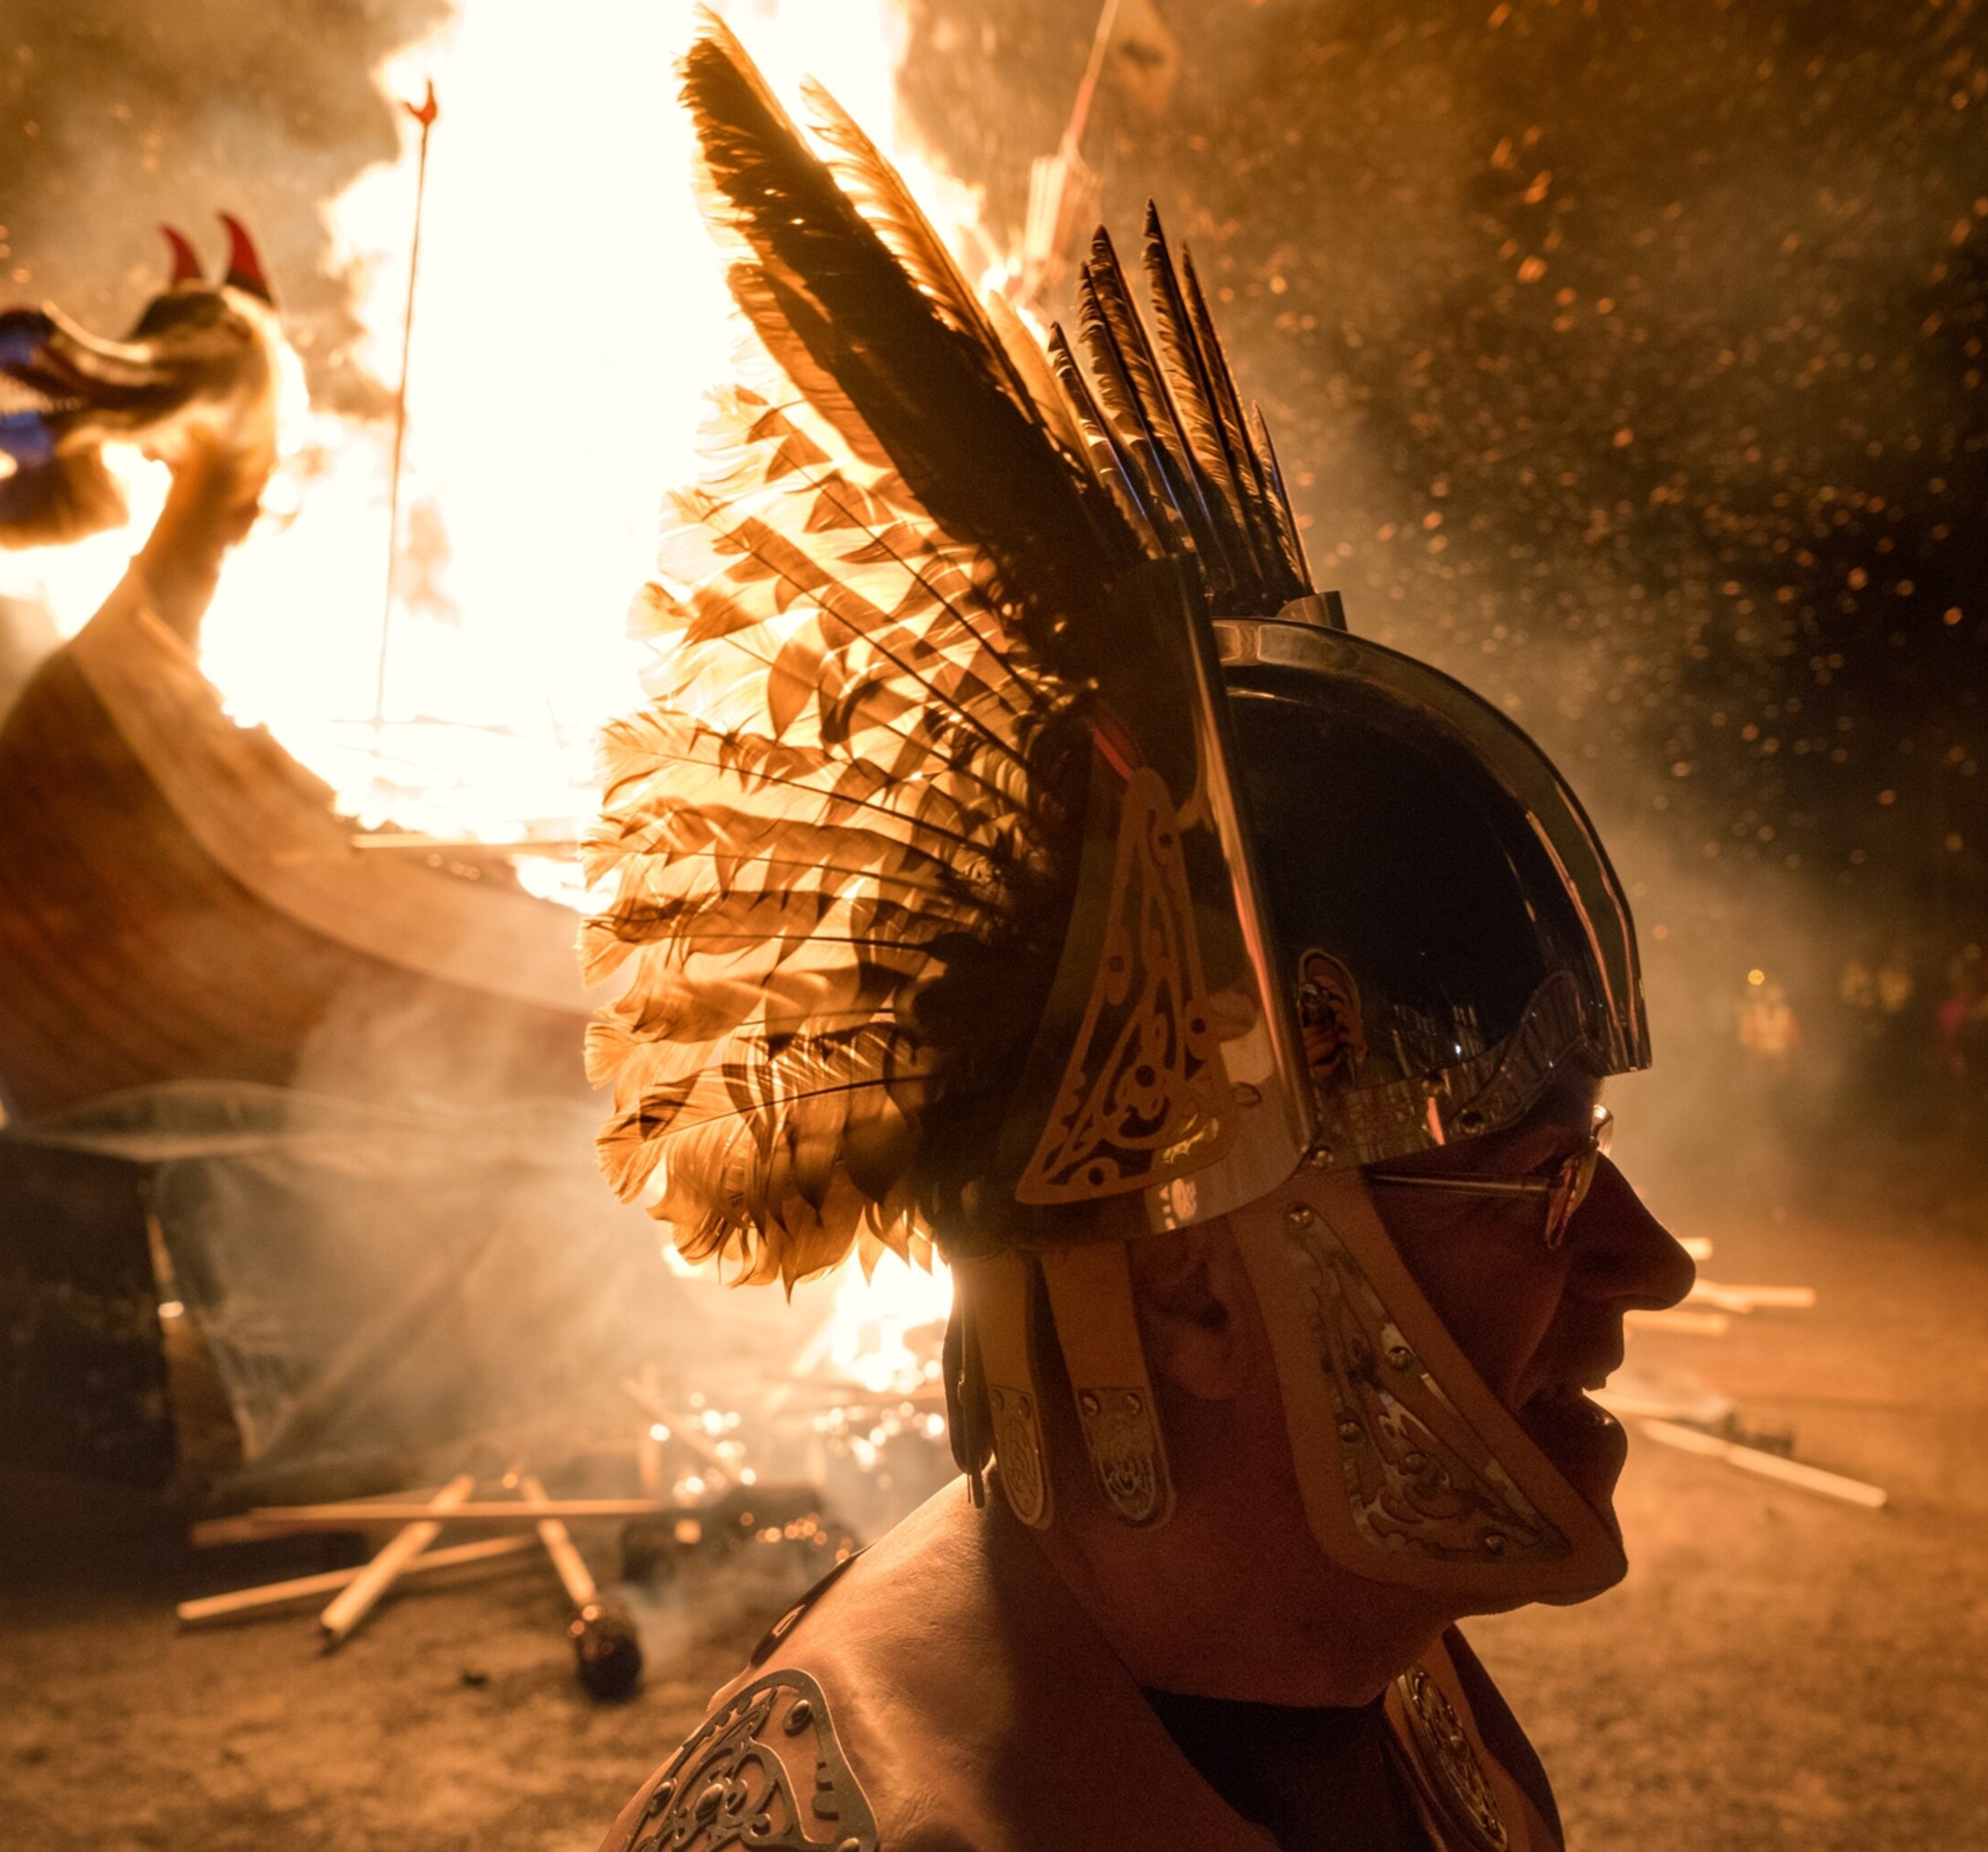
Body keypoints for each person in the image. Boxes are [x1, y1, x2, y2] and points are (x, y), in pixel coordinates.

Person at [583, 26, 1692, 1850]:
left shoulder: (1405, 1703)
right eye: (1542, 1181)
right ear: (1189, 1284)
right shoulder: (866, 1823)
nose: (1651, 1262)